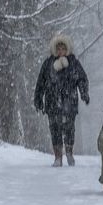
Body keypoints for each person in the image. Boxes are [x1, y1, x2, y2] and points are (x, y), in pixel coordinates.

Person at [33, 33, 89, 166]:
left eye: (63, 49)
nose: (61, 52)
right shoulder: (48, 64)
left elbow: (82, 79)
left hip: (70, 101)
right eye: (58, 49)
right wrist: (38, 99)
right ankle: (58, 157)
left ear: (67, 49)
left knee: (69, 129)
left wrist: (84, 93)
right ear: (54, 50)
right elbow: (40, 82)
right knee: (55, 129)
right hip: (52, 103)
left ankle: (69, 153)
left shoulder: (73, 63)